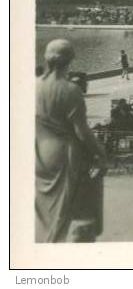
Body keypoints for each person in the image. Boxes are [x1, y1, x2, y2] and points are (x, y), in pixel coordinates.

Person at [36, 39, 106, 242]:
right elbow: (82, 132)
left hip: (39, 152)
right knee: (65, 211)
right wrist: (100, 152)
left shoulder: (33, 86)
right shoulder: (70, 90)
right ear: (70, 60)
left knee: (45, 211)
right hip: (64, 154)